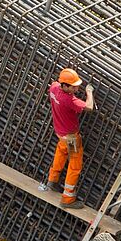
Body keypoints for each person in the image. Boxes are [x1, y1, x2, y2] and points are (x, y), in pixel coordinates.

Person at [39, 68, 94, 208]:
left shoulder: (54, 87)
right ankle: (67, 199)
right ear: (65, 85)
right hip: (71, 139)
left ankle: (52, 181)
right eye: (74, 87)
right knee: (75, 167)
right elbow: (89, 107)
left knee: (60, 156)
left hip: (60, 134)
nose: (77, 89)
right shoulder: (70, 100)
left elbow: (55, 86)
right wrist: (89, 92)